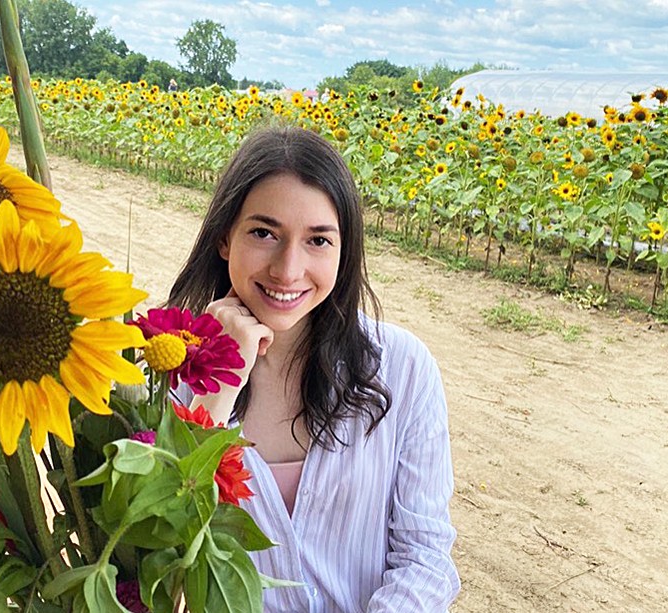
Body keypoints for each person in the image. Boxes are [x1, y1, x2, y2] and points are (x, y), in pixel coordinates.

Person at [168, 124, 460, 611]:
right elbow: (156, 545)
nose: (288, 269)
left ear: (344, 251)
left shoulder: (403, 370)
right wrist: (215, 389)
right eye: (264, 233)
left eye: (318, 241)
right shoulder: (165, 374)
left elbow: (424, 556)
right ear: (224, 237)